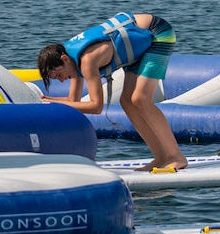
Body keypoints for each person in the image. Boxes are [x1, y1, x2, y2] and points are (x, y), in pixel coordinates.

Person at [37, 12, 187, 170]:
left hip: (157, 33)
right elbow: (74, 101)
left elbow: (96, 107)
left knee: (140, 99)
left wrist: (55, 103)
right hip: (138, 49)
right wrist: (47, 100)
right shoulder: (71, 60)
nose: (62, 80)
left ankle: (176, 156)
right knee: (126, 102)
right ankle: (161, 157)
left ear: (64, 59)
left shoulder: (87, 61)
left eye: (59, 75)